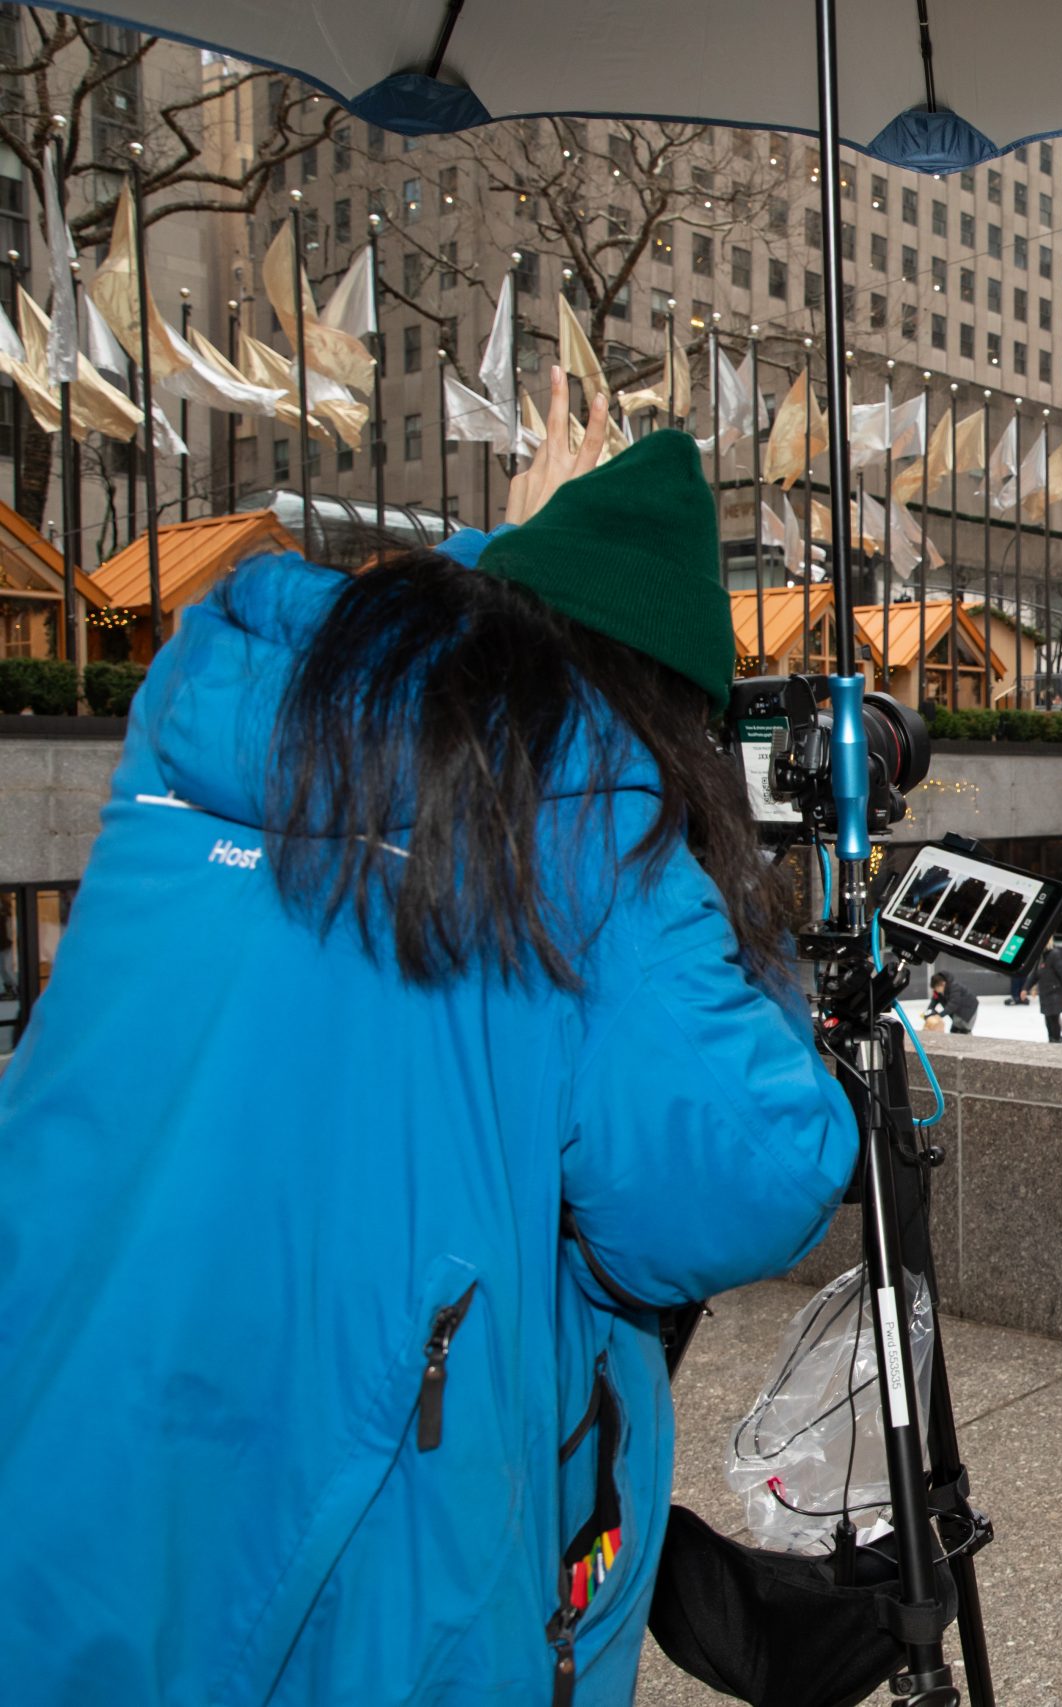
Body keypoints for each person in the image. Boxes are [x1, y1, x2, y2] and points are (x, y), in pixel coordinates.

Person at [0, 395, 859, 1706]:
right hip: (344, 1603)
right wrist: (760, 948)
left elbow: (411, 677)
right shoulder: (580, 802)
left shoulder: (209, 726)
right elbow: (747, 1171)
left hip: (61, 1482)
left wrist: (506, 559)